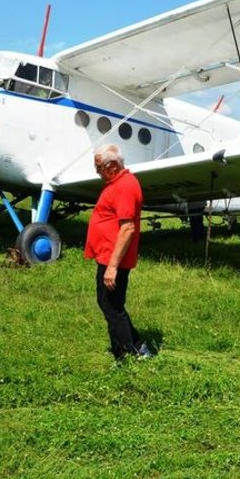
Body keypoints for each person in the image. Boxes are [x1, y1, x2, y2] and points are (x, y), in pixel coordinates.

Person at [84, 144, 154, 362]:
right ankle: (137, 346)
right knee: (109, 304)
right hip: (107, 256)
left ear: (112, 165)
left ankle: (125, 355)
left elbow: (127, 229)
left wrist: (113, 267)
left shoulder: (125, 186)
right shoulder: (117, 183)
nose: (97, 173)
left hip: (114, 260)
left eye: (99, 168)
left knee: (112, 307)